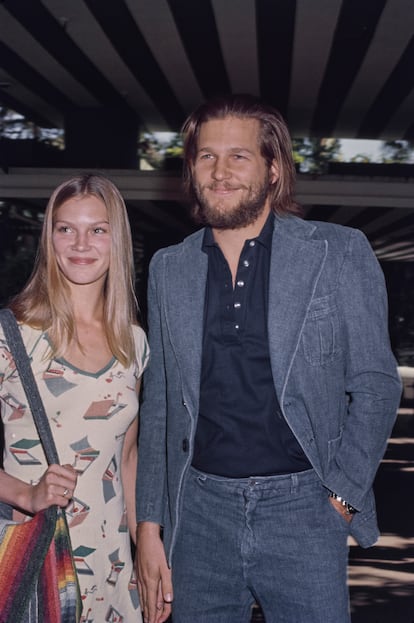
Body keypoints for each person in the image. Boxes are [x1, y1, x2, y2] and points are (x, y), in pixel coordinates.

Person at [135, 94, 402, 623]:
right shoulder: (170, 267)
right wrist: (149, 527)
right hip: (199, 515)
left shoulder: (338, 250)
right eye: (206, 157)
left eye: (239, 156)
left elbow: (376, 383)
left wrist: (340, 501)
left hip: (304, 510)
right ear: (191, 169)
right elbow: (161, 406)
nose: (220, 171)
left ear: (273, 168)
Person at [0, 174, 149, 621]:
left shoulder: (134, 343)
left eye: (97, 229)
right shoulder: (13, 335)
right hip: (35, 557)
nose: (81, 243)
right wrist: (26, 493)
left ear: (116, 239)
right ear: (50, 238)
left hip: (113, 566)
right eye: (66, 228)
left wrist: (148, 550)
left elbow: (126, 458)